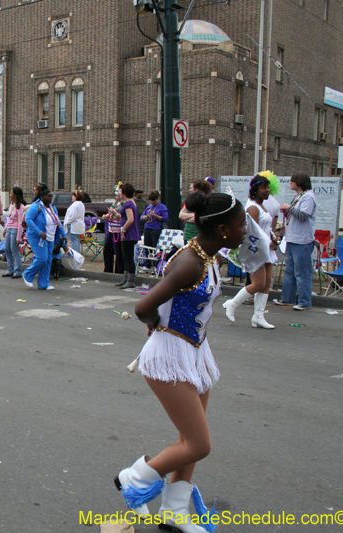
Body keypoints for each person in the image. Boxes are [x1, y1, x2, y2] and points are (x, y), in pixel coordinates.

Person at [116, 190, 246, 530]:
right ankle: (135, 476)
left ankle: (173, 514)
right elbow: (143, 307)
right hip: (170, 355)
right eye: (241, 224)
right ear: (222, 229)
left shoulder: (210, 258)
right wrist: (158, 327)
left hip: (195, 352)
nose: (245, 230)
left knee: (187, 442)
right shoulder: (190, 261)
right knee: (200, 445)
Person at [223, 174, 279, 328]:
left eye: (268, 187)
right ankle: (232, 304)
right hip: (257, 250)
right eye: (263, 188)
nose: (267, 190)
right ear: (255, 190)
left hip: (267, 250)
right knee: (258, 283)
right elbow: (253, 232)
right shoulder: (253, 208)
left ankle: (258, 317)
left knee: (266, 284)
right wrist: (266, 243)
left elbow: (266, 230)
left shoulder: (262, 206)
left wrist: (274, 239)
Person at [273, 173, 316, 310]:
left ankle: (304, 301)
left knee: (302, 272)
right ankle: (287, 298)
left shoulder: (308, 197)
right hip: (292, 239)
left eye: (293, 181)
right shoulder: (299, 196)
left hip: (302, 241)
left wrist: (288, 208)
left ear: (300, 182)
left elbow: (303, 215)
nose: (290, 182)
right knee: (290, 271)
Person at [22, 186, 65, 290]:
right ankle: (28, 274)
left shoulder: (52, 207)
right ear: (42, 196)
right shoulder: (36, 206)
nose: (51, 198)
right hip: (38, 237)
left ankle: (43, 283)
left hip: (50, 237)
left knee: (48, 260)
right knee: (42, 259)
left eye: (51, 196)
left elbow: (57, 222)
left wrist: (63, 235)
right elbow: (28, 220)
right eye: (48, 196)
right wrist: (39, 231)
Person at [117, 183, 141, 289]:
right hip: (131, 234)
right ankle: (126, 278)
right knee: (126, 256)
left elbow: (130, 219)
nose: (119, 193)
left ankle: (130, 280)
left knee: (128, 257)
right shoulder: (132, 202)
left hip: (129, 234)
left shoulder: (128, 204)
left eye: (121, 191)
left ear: (124, 193)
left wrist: (123, 229)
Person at [140, 191, 169, 271]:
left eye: (153, 200)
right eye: (151, 201)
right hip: (147, 228)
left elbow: (165, 218)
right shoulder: (149, 207)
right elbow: (141, 216)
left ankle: (156, 265)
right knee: (147, 247)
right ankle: (148, 265)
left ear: (157, 199)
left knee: (155, 248)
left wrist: (155, 216)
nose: (152, 202)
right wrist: (144, 217)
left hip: (156, 229)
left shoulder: (162, 207)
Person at [3, 186, 26, 279]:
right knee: (7, 249)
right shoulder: (12, 204)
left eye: (11, 193)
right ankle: (10, 270)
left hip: (16, 229)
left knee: (14, 250)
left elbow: (21, 222)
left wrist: (18, 237)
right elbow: (9, 218)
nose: (10, 194)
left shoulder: (21, 206)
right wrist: (5, 228)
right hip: (9, 228)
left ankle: (18, 271)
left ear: (15, 195)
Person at [103, 186, 125, 274]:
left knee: (118, 252)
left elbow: (122, 217)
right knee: (107, 250)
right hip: (111, 230)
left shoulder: (124, 204)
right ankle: (108, 270)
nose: (115, 196)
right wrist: (107, 216)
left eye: (117, 194)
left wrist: (114, 213)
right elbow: (110, 214)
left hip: (118, 231)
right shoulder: (115, 203)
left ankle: (119, 272)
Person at [63, 190, 86, 254]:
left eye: (73, 196)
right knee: (76, 241)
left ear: (76, 197)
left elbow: (72, 216)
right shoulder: (81, 204)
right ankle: (77, 254)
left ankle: (76, 255)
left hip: (73, 225)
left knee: (73, 241)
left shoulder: (75, 205)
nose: (72, 197)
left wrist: (67, 222)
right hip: (79, 225)